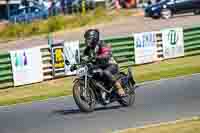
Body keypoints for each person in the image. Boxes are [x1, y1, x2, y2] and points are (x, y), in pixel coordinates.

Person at [83, 29, 125, 97]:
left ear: (94, 38)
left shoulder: (102, 44)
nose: (86, 41)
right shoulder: (87, 49)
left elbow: (107, 54)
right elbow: (83, 57)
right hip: (99, 66)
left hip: (111, 64)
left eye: (88, 39)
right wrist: (76, 64)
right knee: (91, 74)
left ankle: (119, 88)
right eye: (86, 39)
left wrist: (97, 57)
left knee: (106, 72)